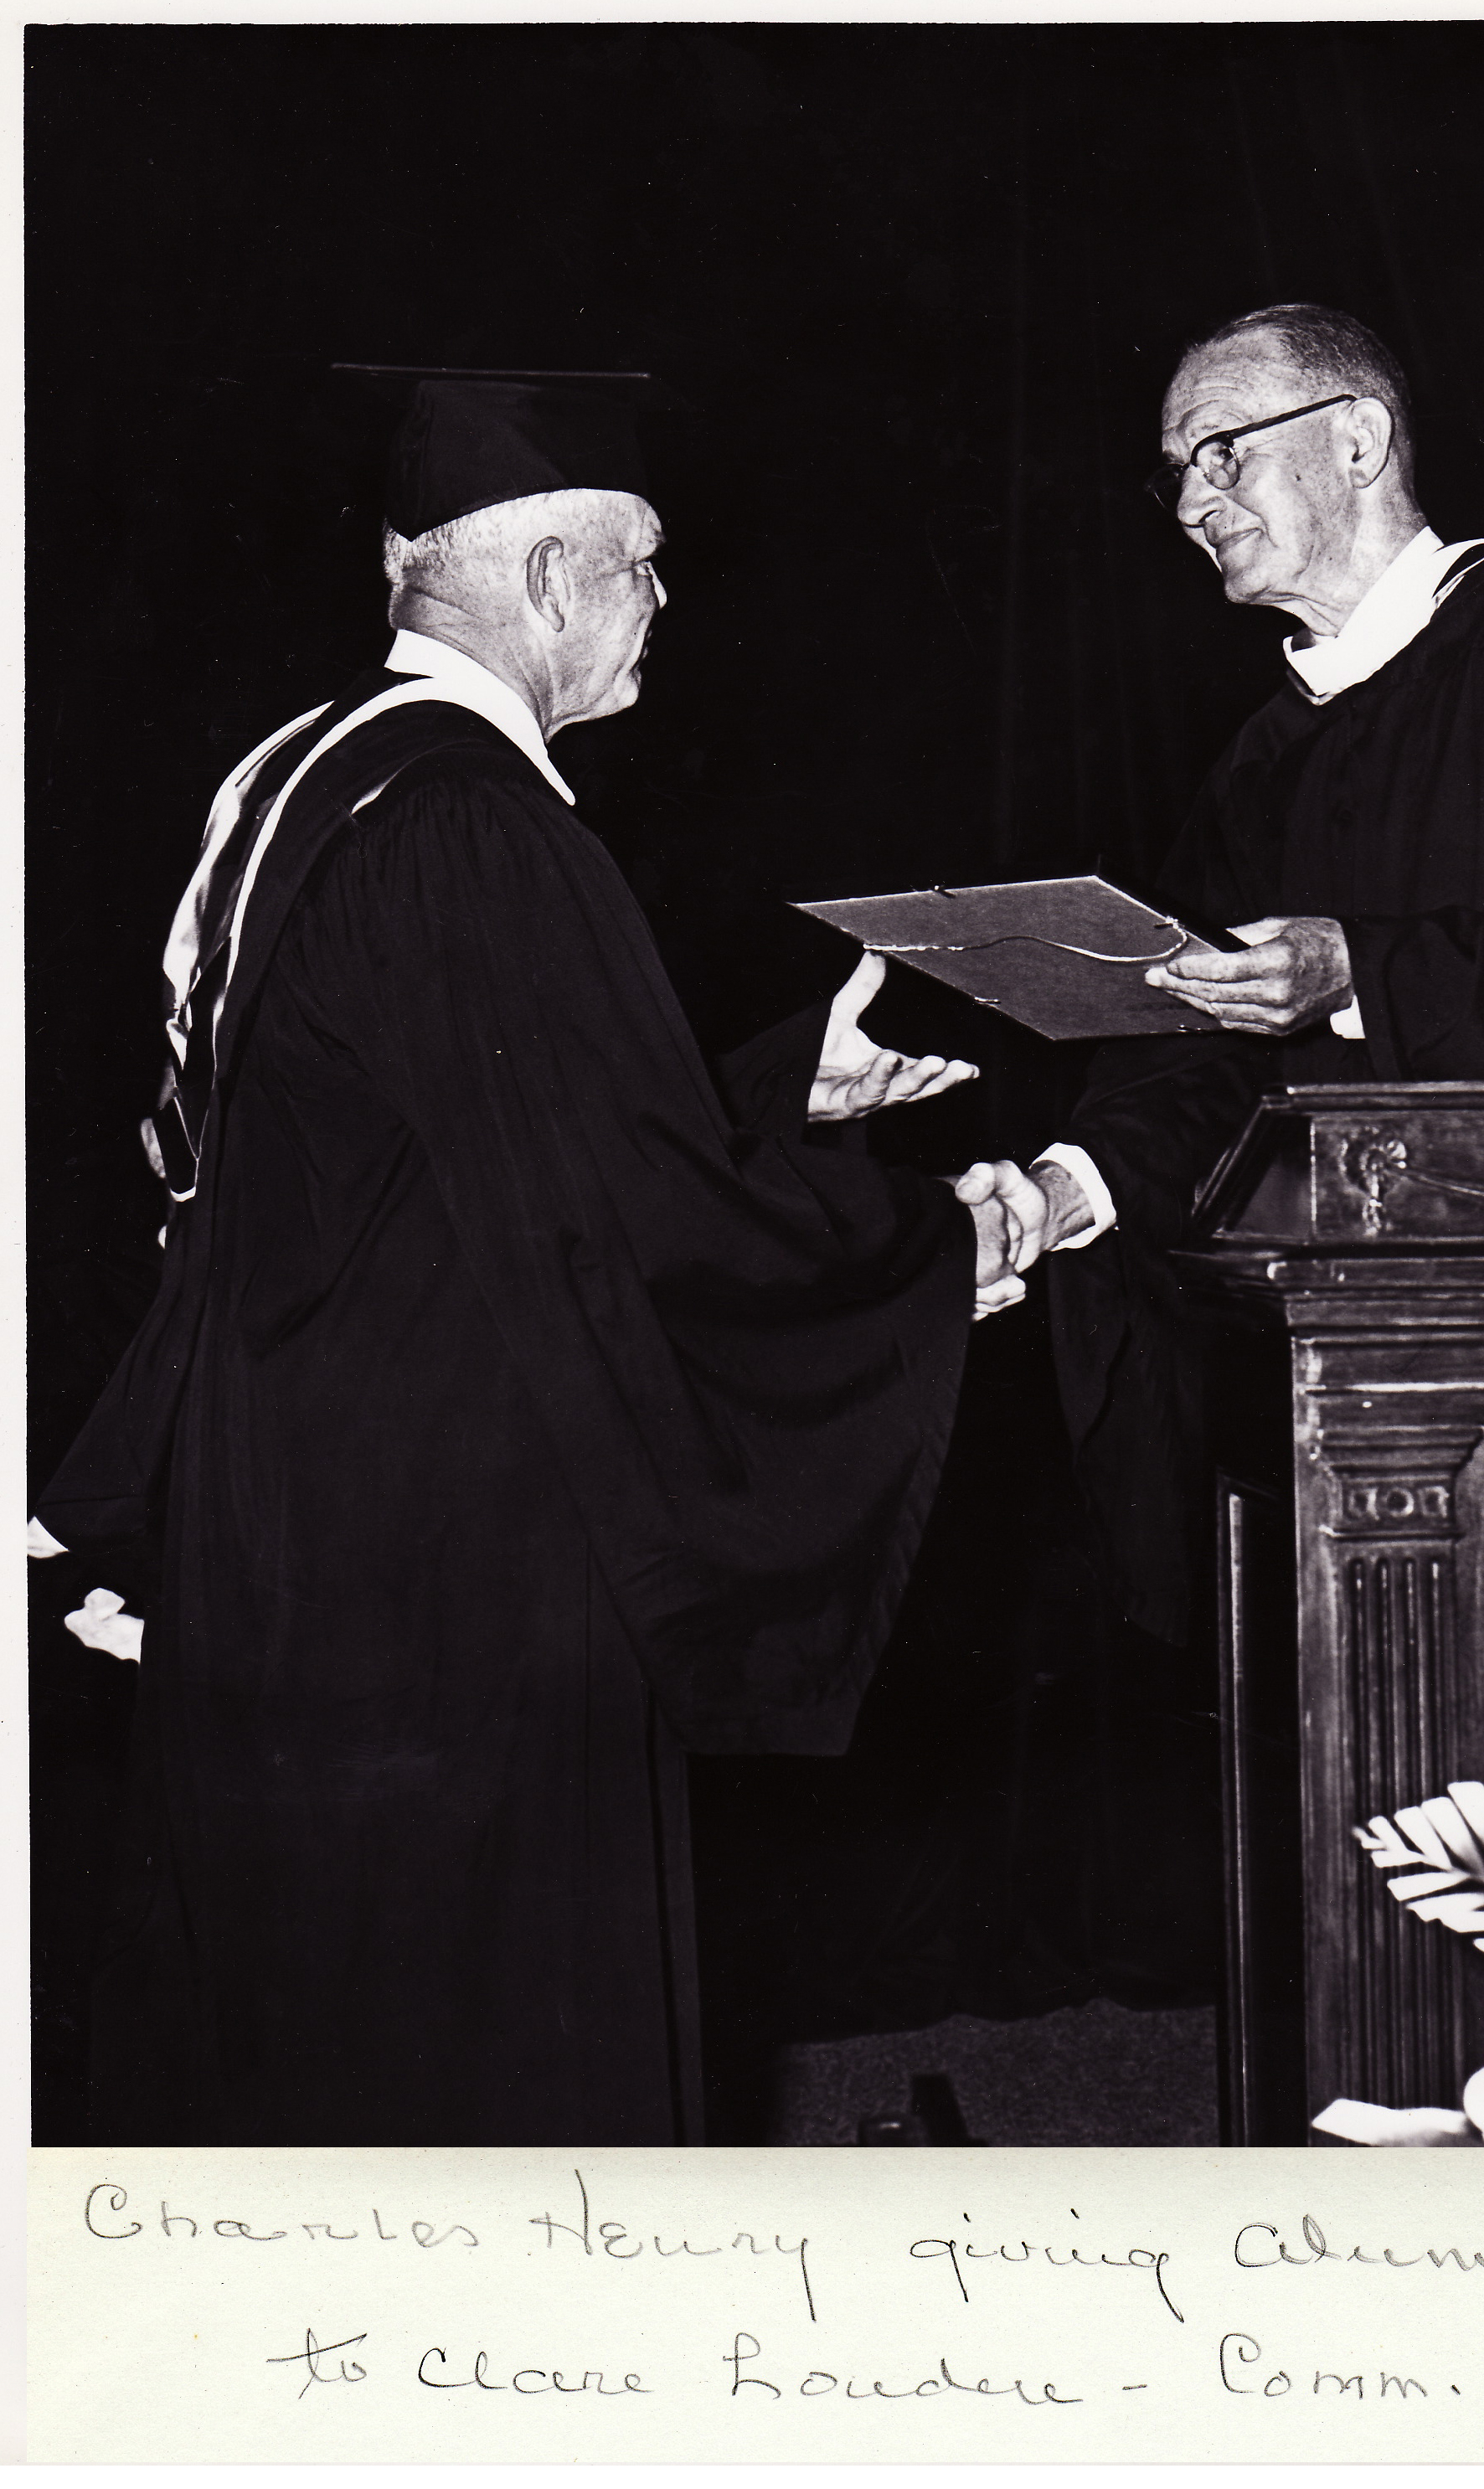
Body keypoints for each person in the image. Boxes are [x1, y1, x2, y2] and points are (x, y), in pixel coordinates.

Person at [30, 372, 1035, 2145]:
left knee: (299, 2034)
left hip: (285, 1512)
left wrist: (781, 1088)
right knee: (471, 2056)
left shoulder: (299, 778)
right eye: (647, 568)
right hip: (449, 1559)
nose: (665, 604)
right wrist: (929, 1242)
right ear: (559, 575)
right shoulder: (478, 822)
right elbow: (618, 1222)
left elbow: (448, 1146)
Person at [991, 303, 1484, 1641]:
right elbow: (1192, 1063)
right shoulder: (1263, 760)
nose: (1189, 502)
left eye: (1220, 451)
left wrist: (1353, 976)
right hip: (1332, 1377)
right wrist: (1062, 1193)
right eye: (1176, 473)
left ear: (1358, 440)